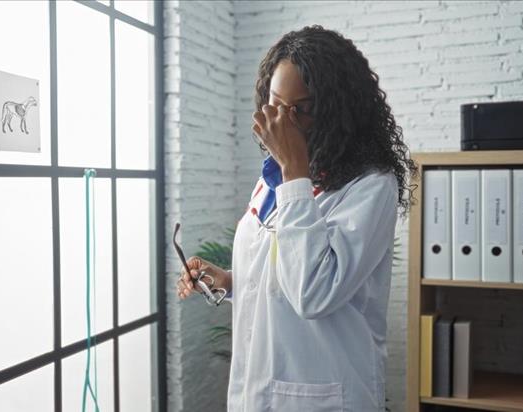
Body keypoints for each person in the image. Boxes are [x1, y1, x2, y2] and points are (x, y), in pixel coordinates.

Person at [176, 24, 417, 411]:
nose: (283, 122)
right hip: (257, 392)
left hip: (325, 395)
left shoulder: (371, 185)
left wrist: (294, 171)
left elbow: (314, 293)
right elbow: (283, 270)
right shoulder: (273, 177)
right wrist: (233, 282)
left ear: (338, 111)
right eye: (275, 103)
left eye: (301, 110)